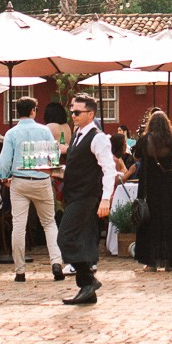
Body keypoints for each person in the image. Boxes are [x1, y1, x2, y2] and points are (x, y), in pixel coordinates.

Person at [55, 93, 116, 305]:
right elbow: (78, 166)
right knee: (82, 238)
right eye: (72, 111)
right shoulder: (78, 134)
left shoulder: (97, 137)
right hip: (74, 195)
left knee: (65, 237)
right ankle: (88, 291)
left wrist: (106, 199)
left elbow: (109, 169)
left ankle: (88, 281)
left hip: (87, 196)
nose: (73, 115)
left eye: (77, 112)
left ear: (90, 113)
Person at [0, 96, 63, 283]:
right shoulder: (44, 131)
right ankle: (56, 262)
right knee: (49, 223)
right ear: (33, 110)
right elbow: (53, 156)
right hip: (42, 180)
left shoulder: (11, 133)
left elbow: (3, 161)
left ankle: (20, 270)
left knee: (18, 225)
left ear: (18, 112)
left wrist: (4, 177)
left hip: (19, 181)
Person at [130, 110, 172, 273]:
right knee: (169, 220)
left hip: (149, 184)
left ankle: (151, 261)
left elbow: (137, 156)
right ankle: (170, 261)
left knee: (150, 221)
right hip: (167, 183)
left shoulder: (145, 139)